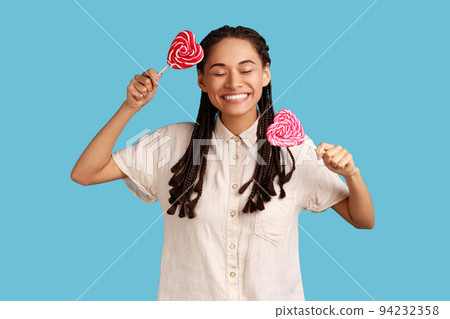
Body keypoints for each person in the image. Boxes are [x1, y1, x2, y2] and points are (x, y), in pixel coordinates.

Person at [71, 25, 375, 301]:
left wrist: (352, 174)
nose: (233, 82)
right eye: (219, 72)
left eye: (246, 70)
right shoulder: (171, 144)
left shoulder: (295, 150)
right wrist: (130, 107)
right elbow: (85, 173)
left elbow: (363, 220)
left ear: (266, 74)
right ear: (202, 80)